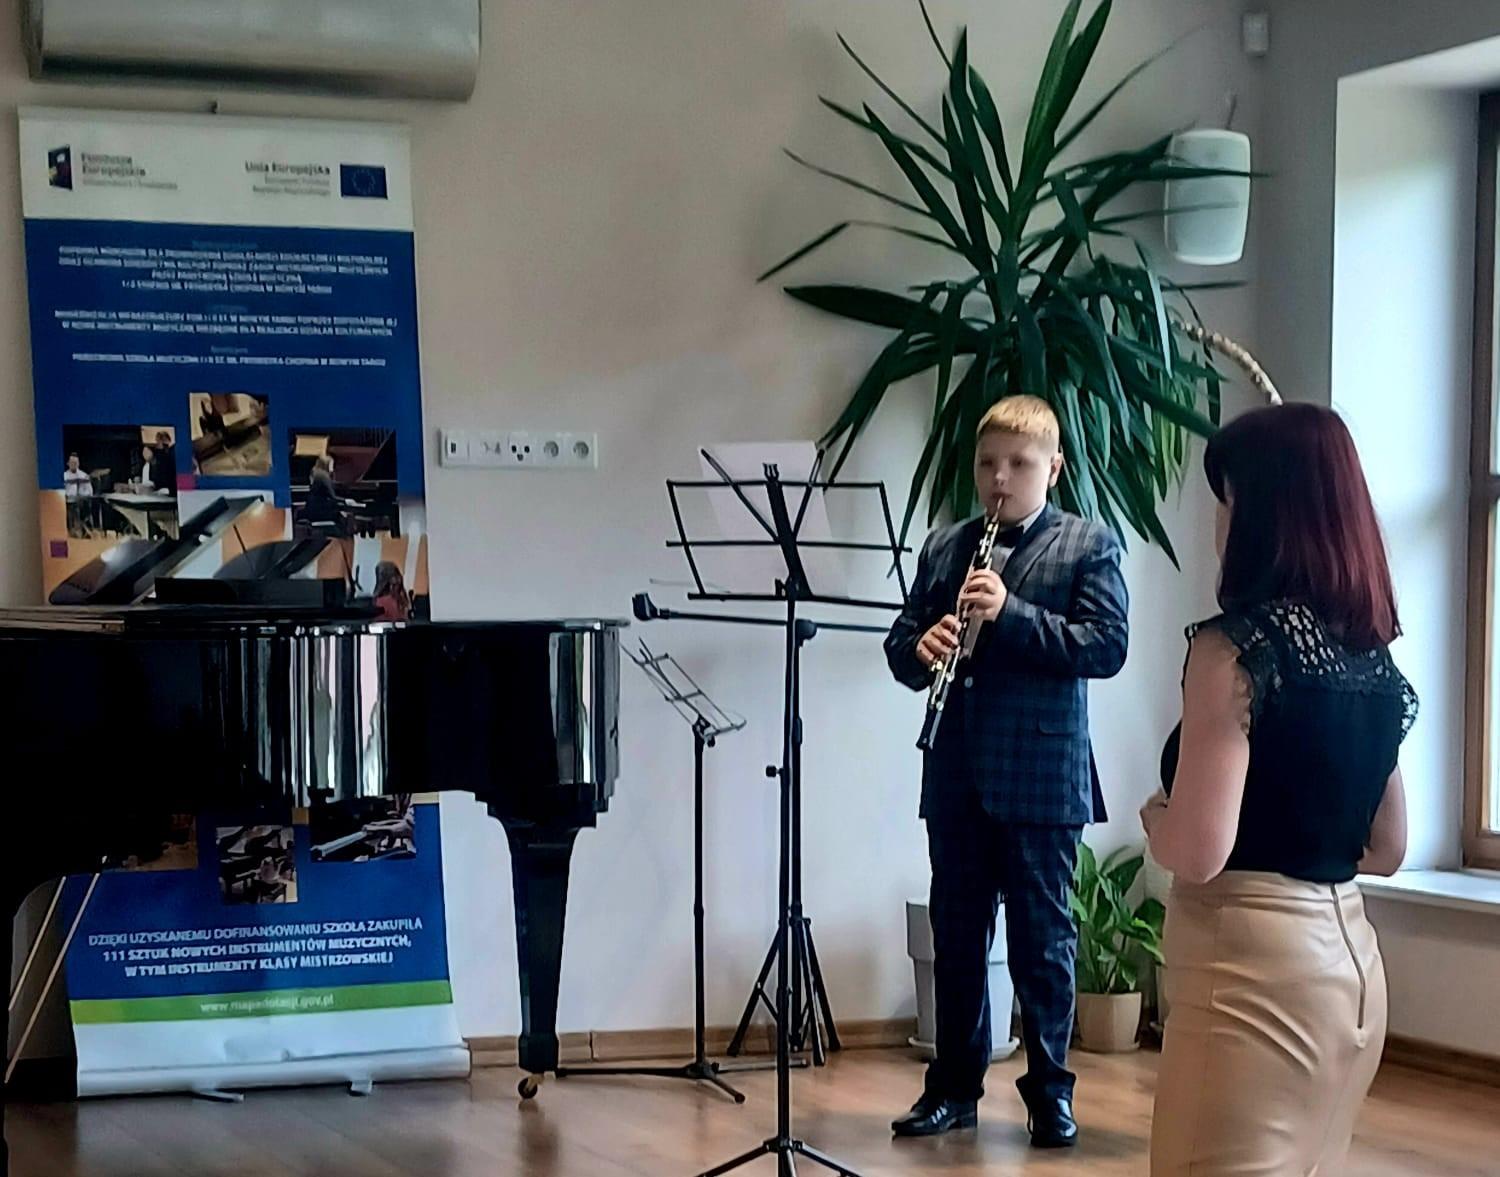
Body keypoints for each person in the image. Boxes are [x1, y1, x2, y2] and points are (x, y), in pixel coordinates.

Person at [1143, 403, 1416, 1176]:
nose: (1218, 522)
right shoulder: (1370, 658)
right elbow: (1388, 847)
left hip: (1250, 975)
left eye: (1227, 500)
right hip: (1351, 969)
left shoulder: (1234, 650)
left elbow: (1199, 850)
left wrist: (1157, 817)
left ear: (1263, 513)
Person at [884, 395, 1129, 1148]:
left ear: (1053, 469)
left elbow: (1105, 646)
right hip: (956, 771)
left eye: (1019, 464)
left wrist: (1011, 612)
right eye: (988, 462)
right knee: (957, 939)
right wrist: (920, 645)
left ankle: (1051, 1095)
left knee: (1042, 944)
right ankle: (952, 1090)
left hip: (1042, 775)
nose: (999, 477)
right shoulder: (946, 544)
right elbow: (900, 645)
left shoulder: (1087, 544)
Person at [63, 452, 93, 533]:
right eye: (72, 463)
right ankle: (72, 530)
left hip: (82, 502)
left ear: (79, 463)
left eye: (76, 463)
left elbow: (90, 491)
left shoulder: (84, 476)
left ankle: (85, 529)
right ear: (68, 463)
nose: (74, 464)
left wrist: (82, 496)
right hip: (69, 502)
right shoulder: (64, 476)